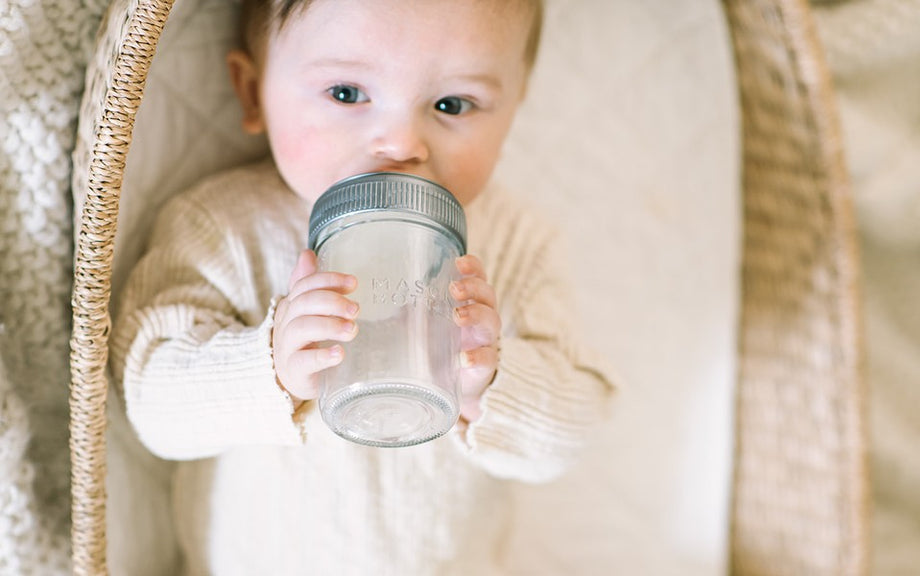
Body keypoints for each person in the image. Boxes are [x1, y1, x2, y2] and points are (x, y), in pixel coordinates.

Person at [109, 0, 616, 574]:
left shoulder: (516, 243)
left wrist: (490, 384)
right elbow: (150, 401)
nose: (400, 143)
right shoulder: (223, 226)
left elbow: (576, 425)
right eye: (346, 93)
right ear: (252, 93)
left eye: (452, 104)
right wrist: (267, 367)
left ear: (513, 107)